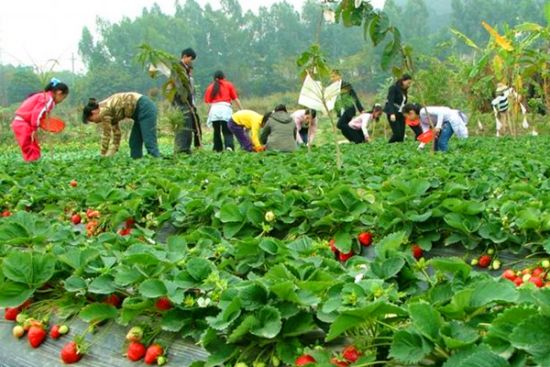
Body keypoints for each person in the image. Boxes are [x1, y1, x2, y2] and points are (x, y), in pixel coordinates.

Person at [82, 92, 160, 159]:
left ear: (94, 112)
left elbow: (106, 135)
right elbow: (116, 134)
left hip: (144, 107)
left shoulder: (103, 111)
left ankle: (156, 164)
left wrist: (102, 154)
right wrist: (111, 152)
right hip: (139, 112)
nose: (95, 122)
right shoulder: (108, 113)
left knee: (149, 142)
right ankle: (137, 163)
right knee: (134, 142)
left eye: (92, 120)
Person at [12, 78, 69, 162]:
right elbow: (37, 113)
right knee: (29, 147)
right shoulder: (48, 98)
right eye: (63, 98)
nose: (61, 101)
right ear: (59, 93)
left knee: (33, 146)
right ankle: (32, 166)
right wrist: (35, 127)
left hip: (21, 123)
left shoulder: (42, 95)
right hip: (23, 124)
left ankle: (34, 164)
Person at [403, 103, 468, 152]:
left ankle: (446, 157)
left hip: (450, 119)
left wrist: (438, 126)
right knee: (435, 142)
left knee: (442, 142)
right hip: (444, 123)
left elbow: (440, 112)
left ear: (411, 113)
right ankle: (438, 156)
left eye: (406, 116)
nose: (407, 118)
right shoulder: (421, 120)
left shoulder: (423, 111)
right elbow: (426, 134)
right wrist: (421, 146)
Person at [204, 71, 242, 152]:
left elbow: (207, 102)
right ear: (224, 77)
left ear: (214, 78)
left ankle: (217, 149)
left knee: (216, 131)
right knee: (227, 130)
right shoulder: (229, 85)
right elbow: (235, 98)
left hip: (214, 110)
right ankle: (229, 147)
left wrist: (209, 113)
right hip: (225, 109)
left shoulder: (210, 87)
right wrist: (241, 109)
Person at [173, 48, 200, 154]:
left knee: (188, 126)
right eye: (190, 58)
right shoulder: (178, 68)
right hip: (181, 101)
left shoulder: (185, 69)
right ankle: (181, 149)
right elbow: (179, 87)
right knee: (183, 126)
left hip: (187, 102)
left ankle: (185, 149)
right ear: (184, 56)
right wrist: (184, 97)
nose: (191, 61)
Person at [384, 74, 421, 143]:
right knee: (397, 133)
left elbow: (403, 103)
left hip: (401, 113)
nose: (409, 85)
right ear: (403, 81)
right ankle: (389, 145)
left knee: (401, 135)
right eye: (408, 82)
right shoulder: (393, 88)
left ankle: (398, 149)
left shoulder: (404, 90)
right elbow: (390, 101)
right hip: (393, 112)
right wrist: (392, 113)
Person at [331, 70, 365, 141]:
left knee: (340, 125)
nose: (332, 79)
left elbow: (354, 96)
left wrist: (360, 109)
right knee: (344, 129)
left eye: (333, 76)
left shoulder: (346, 85)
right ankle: (355, 141)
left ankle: (358, 140)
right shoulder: (332, 88)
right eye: (331, 77)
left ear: (339, 76)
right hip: (341, 111)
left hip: (349, 109)